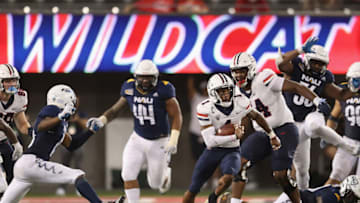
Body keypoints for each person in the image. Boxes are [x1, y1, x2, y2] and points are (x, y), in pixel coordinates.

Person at [229, 52, 331, 203]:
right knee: (238, 164)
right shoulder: (237, 92)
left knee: (281, 175)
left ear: (250, 70)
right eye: (235, 71)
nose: (238, 75)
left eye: (242, 70)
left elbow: (295, 87)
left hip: (284, 130)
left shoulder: (264, 79)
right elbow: (241, 117)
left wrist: (316, 100)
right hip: (263, 133)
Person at [0, 84, 124, 203]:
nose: (75, 105)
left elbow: (72, 145)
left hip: (25, 167)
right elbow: (39, 126)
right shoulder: (52, 110)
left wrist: (91, 131)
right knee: (77, 175)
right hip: (32, 162)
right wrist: (60, 116)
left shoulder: (60, 123)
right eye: (73, 101)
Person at [88, 59, 183, 203]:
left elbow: (177, 115)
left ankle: (165, 174)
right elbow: (115, 110)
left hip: (159, 140)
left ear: (156, 77)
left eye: (149, 77)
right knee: (127, 174)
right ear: (136, 76)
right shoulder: (129, 88)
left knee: (155, 184)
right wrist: (101, 120)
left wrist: (173, 139)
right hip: (138, 138)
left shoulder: (164, 90)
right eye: (142, 77)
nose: (145, 81)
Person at [182, 73, 281, 203]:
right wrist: (234, 136)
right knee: (193, 188)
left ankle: (213, 198)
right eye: (220, 91)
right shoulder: (205, 108)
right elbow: (210, 142)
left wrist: (271, 134)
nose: (225, 94)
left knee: (229, 176)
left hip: (232, 150)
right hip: (213, 150)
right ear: (212, 92)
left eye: (227, 89)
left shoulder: (240, 102)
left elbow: (256, 116)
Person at [277, 36, 360, 190]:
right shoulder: (296, 67)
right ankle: (301, 197)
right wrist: (299, 50)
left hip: (310, 115)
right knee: (301, 170)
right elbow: (280, 63)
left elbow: (341, 95)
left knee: (315, 126)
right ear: (307, 59)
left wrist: (354, 89)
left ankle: (344, 145)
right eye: (314, 62)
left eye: (320, 64)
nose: (316, 66)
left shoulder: (324, 78)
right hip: (291, 123)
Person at [325, 62, 360, 186]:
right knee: (335, 177)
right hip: (349, 142)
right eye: (356, 81)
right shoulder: (343, 93)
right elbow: (334, 117)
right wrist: (327, 135)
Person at [0, 64, 31, 194]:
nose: (12, 83)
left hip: (3, 140)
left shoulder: (20, 96)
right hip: (7, 136)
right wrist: (16, 143)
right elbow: (3, 125)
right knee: (1, 186)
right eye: (7, 81)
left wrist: (33, 132)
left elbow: (22, 123)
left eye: (14, 80)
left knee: (14, 176)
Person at [55, 110, 87, 196]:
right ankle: (61, 187)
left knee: (78, 166)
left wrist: (77, 120)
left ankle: (79, 188)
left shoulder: (81, 113)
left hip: (78, 143)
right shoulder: (64, 111)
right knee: (64, 166)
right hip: (66, 143)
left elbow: (86, 125)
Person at [274, 175, 360, 203]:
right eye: (353, 197)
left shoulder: (337, 195)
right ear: (346, 189)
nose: (354, 201)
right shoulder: (332, 196)